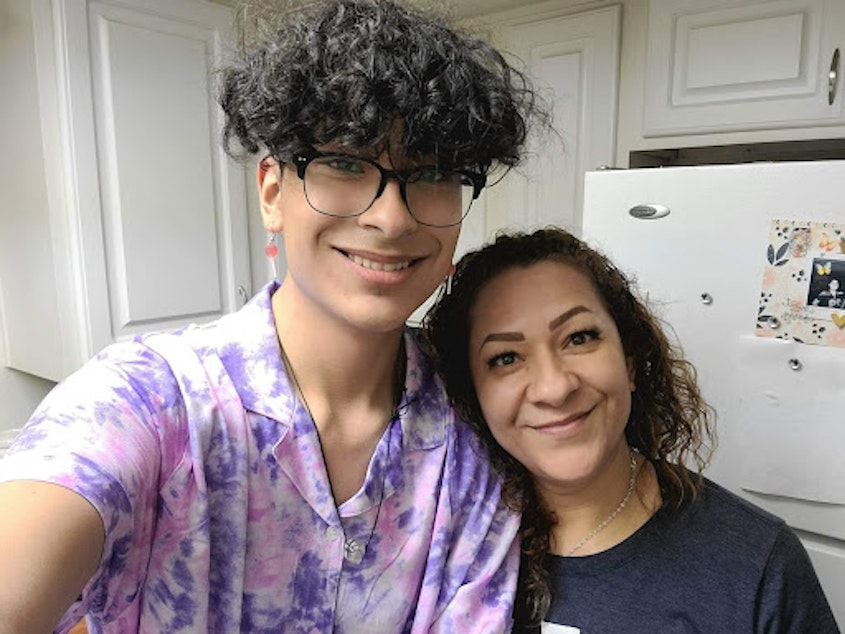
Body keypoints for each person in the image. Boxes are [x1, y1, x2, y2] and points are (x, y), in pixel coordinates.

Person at [0, 1, 546, 631]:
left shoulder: (472, 428)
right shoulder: (152, 399)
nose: (392, 220)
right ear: (271, 191)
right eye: (344, 162)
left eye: (432, 173)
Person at [423, 227, 840, 633]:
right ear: (472, 395)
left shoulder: (756, 565)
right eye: (506, 358)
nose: (554, 387)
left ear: (629, 359)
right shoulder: (442, 553)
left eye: (579, 337)